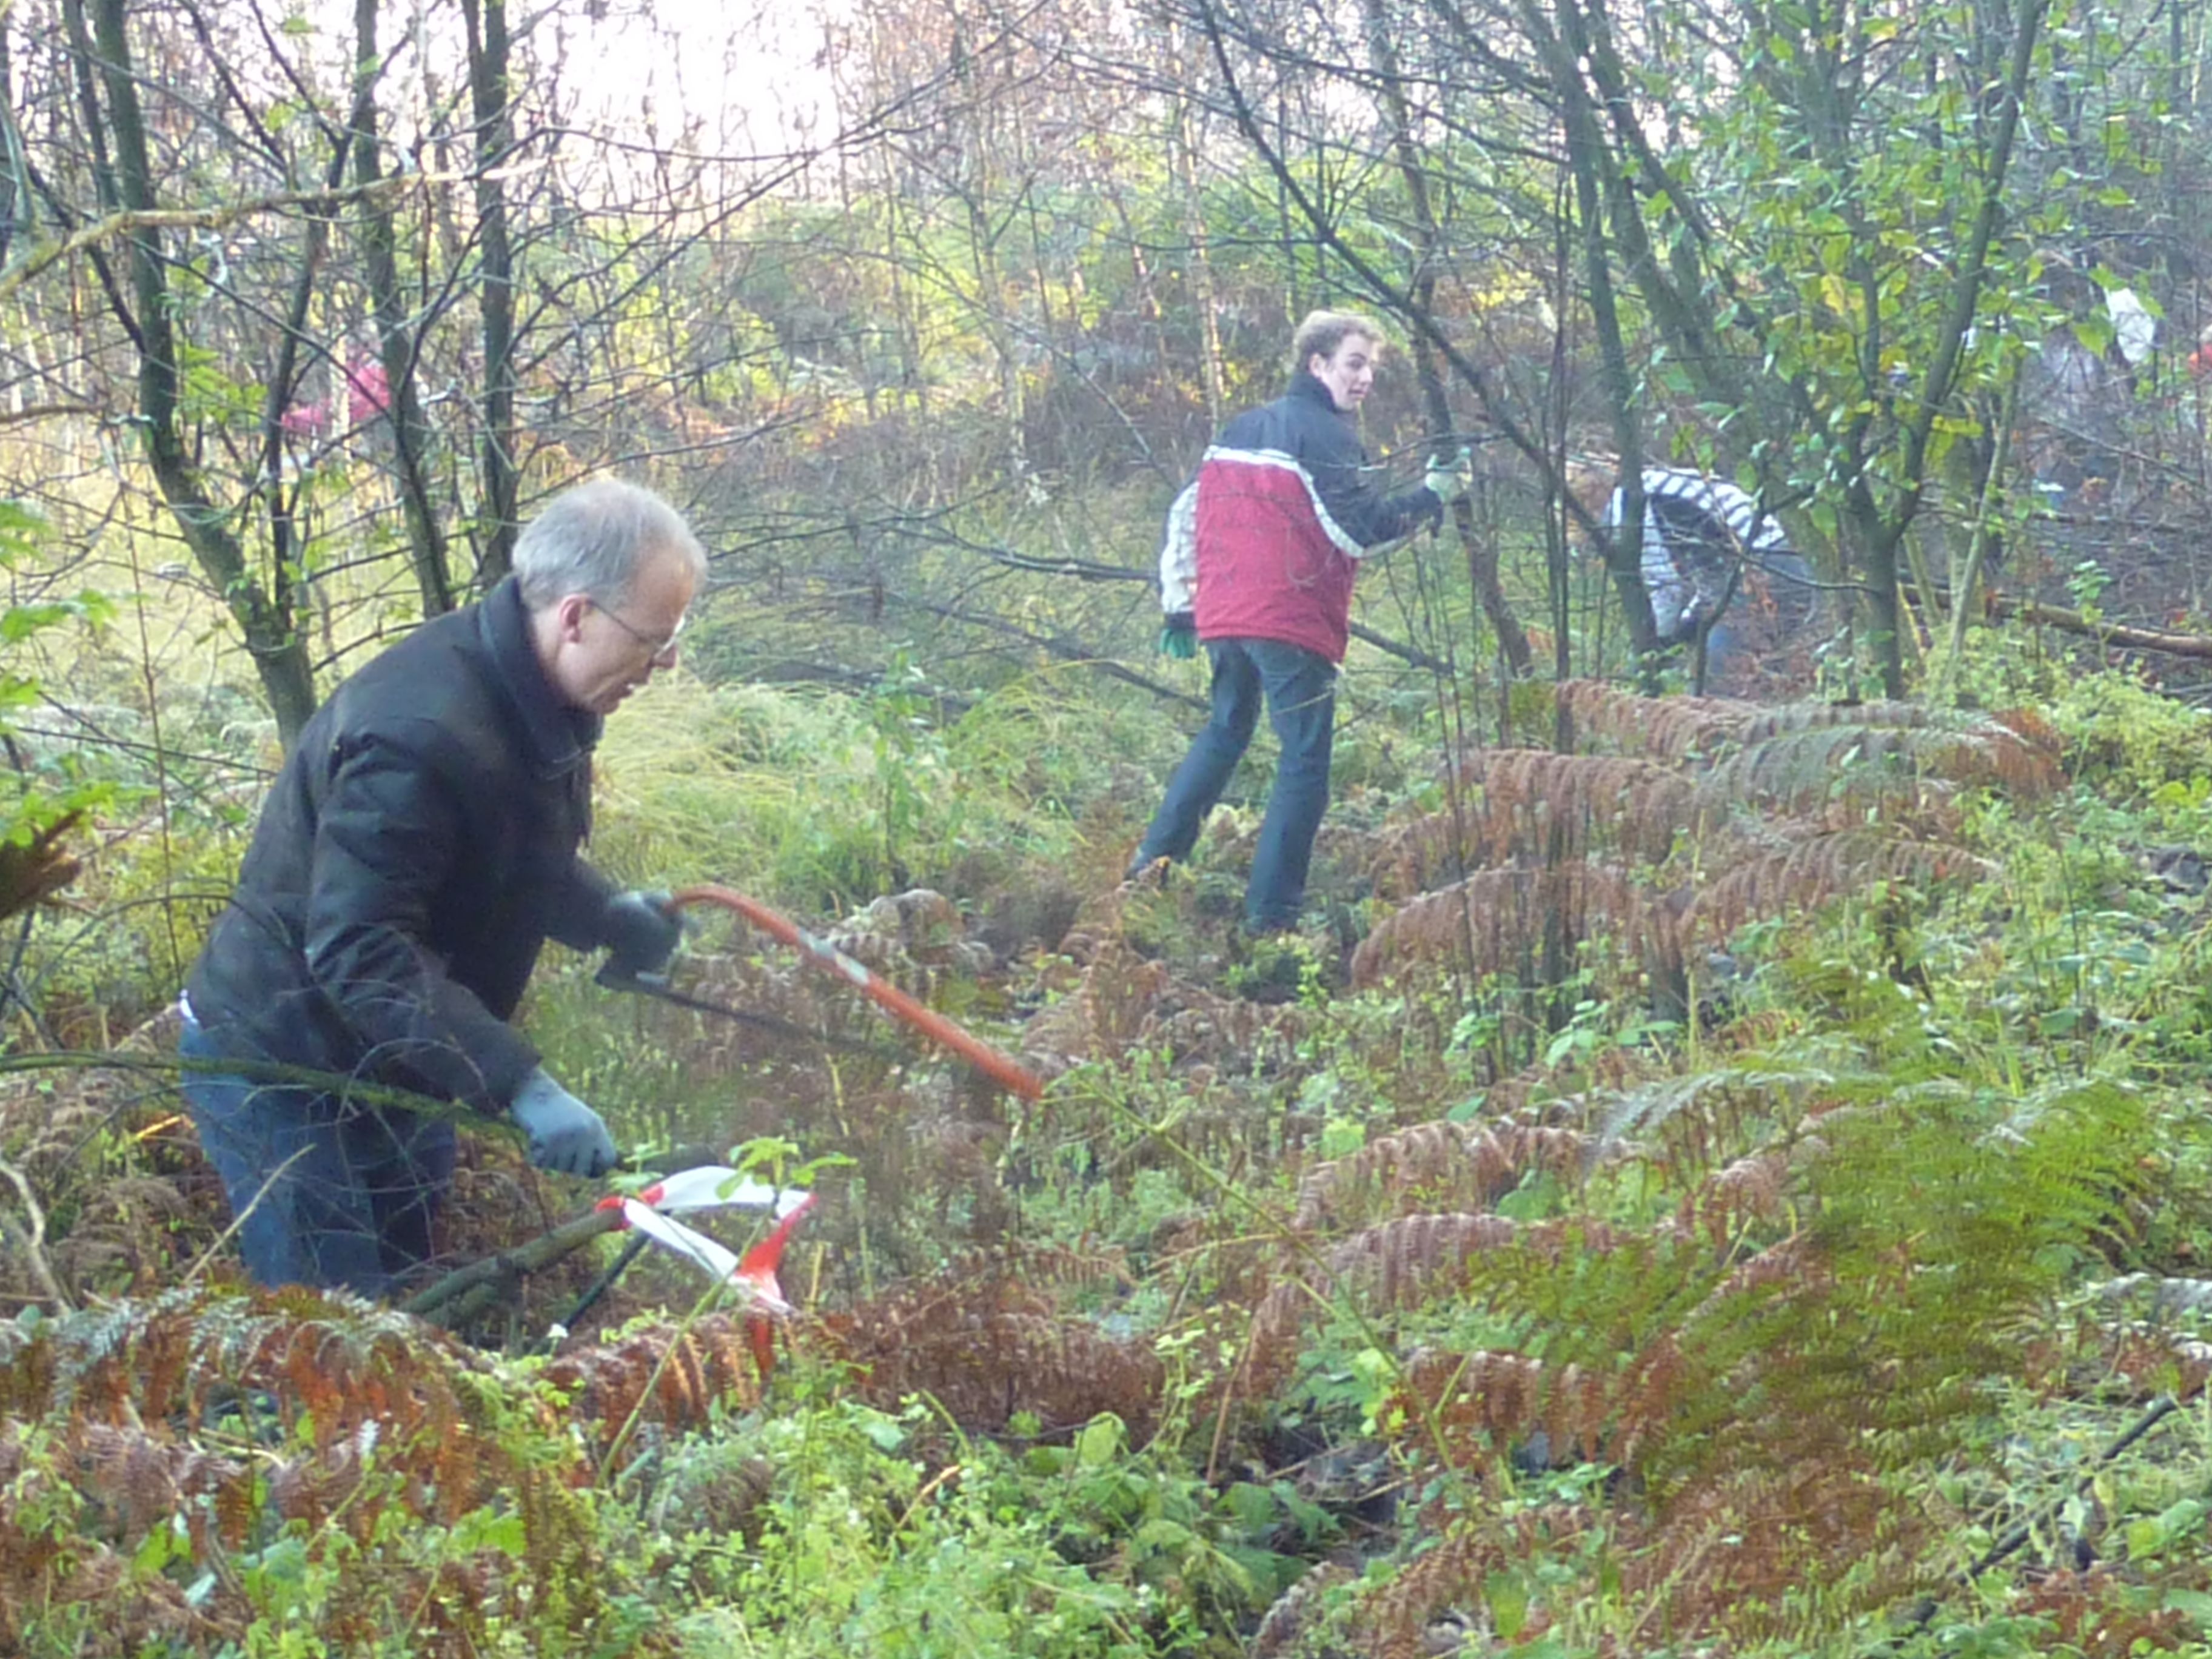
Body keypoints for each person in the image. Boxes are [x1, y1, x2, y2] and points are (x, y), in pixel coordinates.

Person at [179, 477, 704, 1296]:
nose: (663, 664)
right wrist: (522, 1083)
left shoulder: (530, 695)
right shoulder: (417, 734)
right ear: (575, 616)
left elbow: (500, 848)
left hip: (397, 1058)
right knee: (337, 1336)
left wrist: (603, 914)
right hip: (283, 1059)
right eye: (653, 638)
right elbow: (360, 946)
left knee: (410, 1301)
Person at [1128, 310, 1469, 933]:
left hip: (1224, 618)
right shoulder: (1329, 437)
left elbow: (1185, 513)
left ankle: (1152, 868)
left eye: (1371, 366)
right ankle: (1271, 919)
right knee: (1305, 760)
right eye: (1354, 363)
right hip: (1289, 620)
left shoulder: (1240, 428)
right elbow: (1359, 533)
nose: (1366, 378)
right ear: (1317, 364)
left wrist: (1180, 607)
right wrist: (1433, 496)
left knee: (1226, 732)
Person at [1595, 464, 1815, 699]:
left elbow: (1666, 589)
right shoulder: (1658, 483)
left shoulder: (1629, 502)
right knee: (1761, 693)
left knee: (1716, 689)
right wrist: (1685, 626)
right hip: (1791, 572)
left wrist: (1652, 646)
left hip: (1762, 574)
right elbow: (1711, 582)